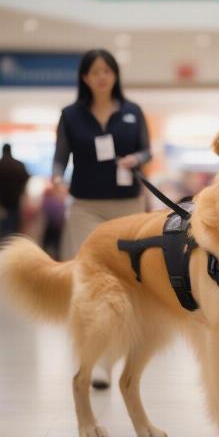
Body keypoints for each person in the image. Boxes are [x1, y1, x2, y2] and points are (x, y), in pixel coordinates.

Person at [53, 48, 152, 388]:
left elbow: (147, 149)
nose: (101, 77)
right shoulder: (70, 115)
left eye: (106, 71)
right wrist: (55, 177)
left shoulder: (131, 111)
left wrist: (135, 158)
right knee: (91, 283)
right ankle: (90, 360)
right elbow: (60, 155)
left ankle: (108, 362)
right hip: (86, 206)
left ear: (114, 76)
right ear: (84, 77)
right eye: (94, 71)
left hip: (127, 208)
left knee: (124, 282)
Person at [0, 143, 30, 239]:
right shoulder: (19, 165)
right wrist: (21, 192)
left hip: (1, 202)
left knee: (2, 230)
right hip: (15, 201)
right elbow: (26, 179)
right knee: (14, 232)